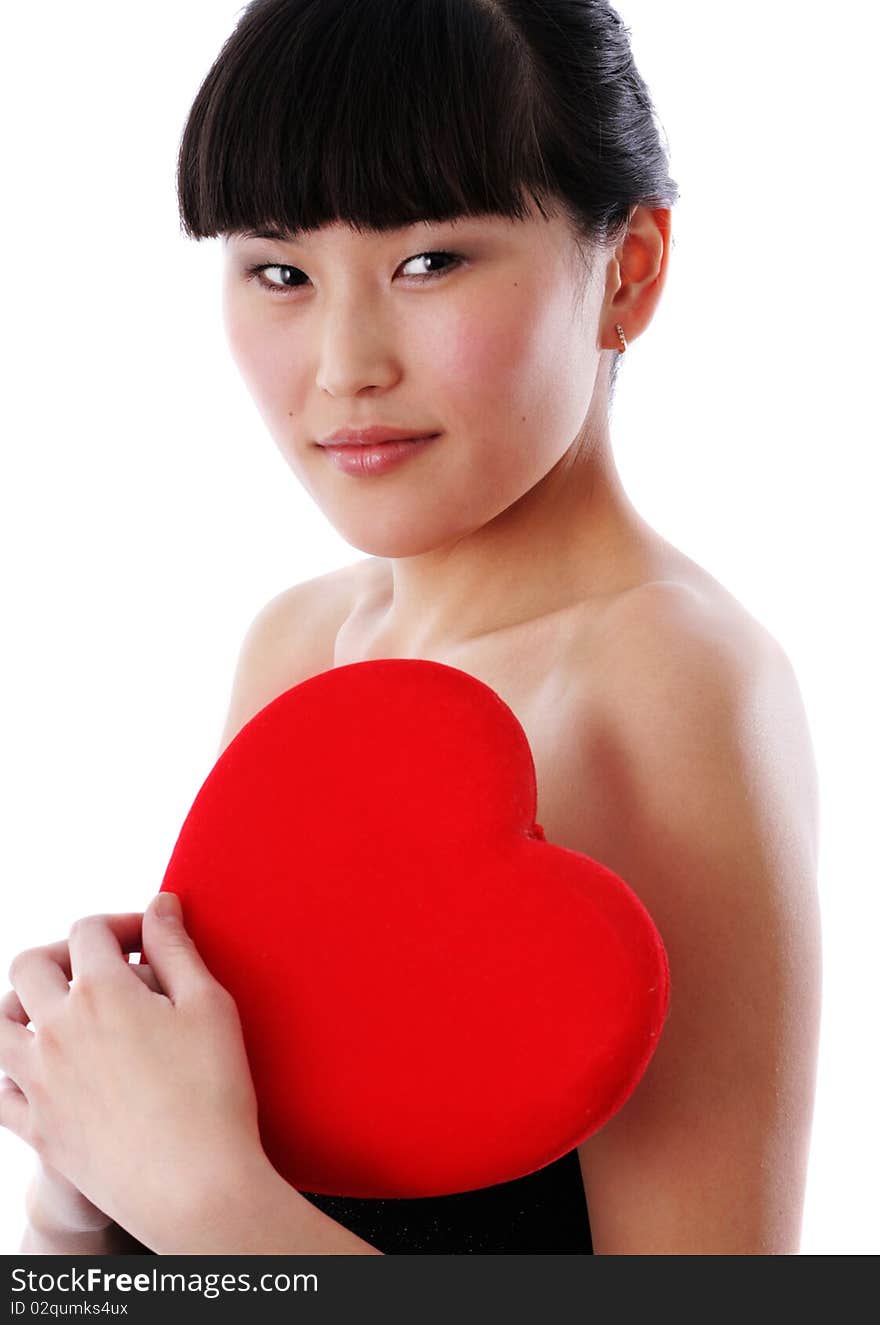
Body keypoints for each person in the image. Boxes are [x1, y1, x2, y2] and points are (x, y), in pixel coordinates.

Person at [3, 0, 821, 1255]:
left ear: (630, 269)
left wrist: (196, 1194)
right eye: (279, 270)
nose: (343, 363)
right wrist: (85, 1185)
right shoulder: (295, 647)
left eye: (429, 261)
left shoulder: (665, 676)